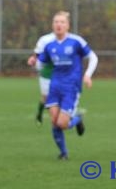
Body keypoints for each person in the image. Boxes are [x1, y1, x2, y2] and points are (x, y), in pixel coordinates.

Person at [37, 11, 98, 160]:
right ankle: (63, 153)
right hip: (55, 85)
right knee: (54, 122)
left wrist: (88, 75)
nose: (59, 25)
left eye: (62, 22)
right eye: (56, 22)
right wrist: (35, 61)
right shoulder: (49, 45)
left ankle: (77, 119)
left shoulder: (76, 41)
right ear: (52, 25)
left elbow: (93, 57)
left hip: (71, 87)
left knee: (62, 124)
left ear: (68, 25)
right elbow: (42, 61)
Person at [27, 32, 55, 126]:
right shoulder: (45, 39)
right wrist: (33, 59)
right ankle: (39, 114)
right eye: (56, 22)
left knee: (61, 97)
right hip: (46, 73)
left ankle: (61, 120)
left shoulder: (70, 40)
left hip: (62, 74)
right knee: (46, 98)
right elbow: (37, 54)